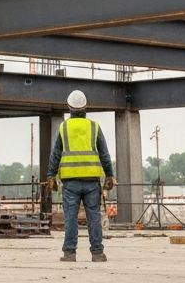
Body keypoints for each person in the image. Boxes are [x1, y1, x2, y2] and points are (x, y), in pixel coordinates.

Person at [47, 89, 115, 263]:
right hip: (92, 181)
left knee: (70, 217)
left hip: (70, 183)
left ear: (69, 107)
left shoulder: (63, 127)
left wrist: (51, 176)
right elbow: (104, 154)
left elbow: (55, 154)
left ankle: (70, 253)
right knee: (94, 217)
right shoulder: (94, 127)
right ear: (86, 107)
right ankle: (97, 253)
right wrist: (109, 176)